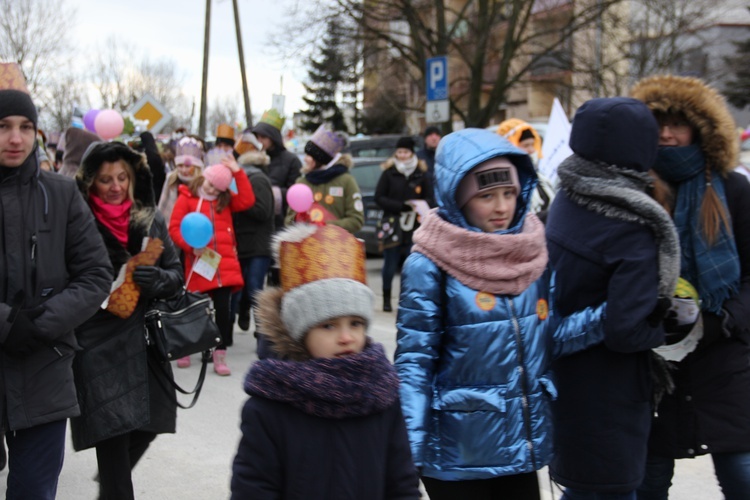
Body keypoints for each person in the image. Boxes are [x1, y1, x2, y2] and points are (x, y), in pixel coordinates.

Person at [395, 128, 606, 500]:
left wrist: (612, 315)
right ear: (456, 197)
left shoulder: (532, 252)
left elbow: (551, 336)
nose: (501, 207)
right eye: (486, 196)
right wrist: (405, 453)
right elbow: (415, 362)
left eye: (509, 193)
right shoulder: (428, 264)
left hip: (519, 447)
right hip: (457, 455)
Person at [544, 97, 680, 499]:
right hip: (611, 396)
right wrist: (661, 328)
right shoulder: (633, 225)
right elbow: (625, 329)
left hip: (567, 383)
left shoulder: (567, 198)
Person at [230, 222, 421, 499]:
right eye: (328, 326)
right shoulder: (270, 406)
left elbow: (402, 484)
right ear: (301, 332)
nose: (346, 337)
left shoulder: (382, 394)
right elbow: (253, 489)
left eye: (355, 323)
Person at [631, 76, 750, 500]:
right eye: (658, 121)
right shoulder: (633, 191)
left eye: (678, 122)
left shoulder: (734, 189)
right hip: (652, 360)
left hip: (725, 356)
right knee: (649, 480)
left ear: (701, 128)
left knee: (742, 474)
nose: (667, 132)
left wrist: (725, 320)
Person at [0, 61, 112, 500]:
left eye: (25, 126)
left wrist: (41, 323)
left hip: (43, 369)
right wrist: (8, 323)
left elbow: (96, 273)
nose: (15, 137)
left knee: (32, 492)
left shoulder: (61, 195)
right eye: (4, 125)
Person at [70, 141, 184, 500]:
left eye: (122, 177)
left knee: (153, 422)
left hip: (145, 340)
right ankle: (114, 485)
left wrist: (158, 281)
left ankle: (110, 482)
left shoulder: (147, 219)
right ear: (90, 183)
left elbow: (176, 274)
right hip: (97, 343)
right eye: (106, 179)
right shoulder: (77, 222)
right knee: (113, 434)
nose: (116, 185)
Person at [169, 156, 255, 374]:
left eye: (218, 189)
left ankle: (220, 354)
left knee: (223, 312)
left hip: (223, 264)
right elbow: (175, 228)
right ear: (203, 177)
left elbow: (247, 200)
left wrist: (237, 172)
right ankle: (186, 347)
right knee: (194, 308)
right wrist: (190, 247)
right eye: (210, 184)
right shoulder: (186, 198)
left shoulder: (224, 201)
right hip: (199, 263)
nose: (212, 190)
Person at [375, 136, 434, 312]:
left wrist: (419, 205)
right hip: (392, 222)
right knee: (390, 263)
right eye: (399, 152)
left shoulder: (421, 173)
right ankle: (386, 298)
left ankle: (407, 299)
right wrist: (399, 206)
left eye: (405, 152)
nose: (402, 155)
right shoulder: (389, 172)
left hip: (414, 224)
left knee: (411, 264)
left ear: (411, 153)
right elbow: (379, 197)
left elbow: (431, 198)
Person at [284, 124, 365, 234]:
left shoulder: (346, 181)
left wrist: (325, 226)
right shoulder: (301, 183)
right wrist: (299, 220)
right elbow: (288, 221)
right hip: (307, 248)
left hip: (337, 247)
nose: (305, 159)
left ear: (321, 159)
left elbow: (356, 220)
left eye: (310, 155)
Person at [231, 138, 274, 339]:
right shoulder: (246, 177)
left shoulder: (257, 179)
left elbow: (263, 211)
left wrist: (239, 203)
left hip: (258, 244)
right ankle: (242, 315)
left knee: (255, 287)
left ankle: (262, 331)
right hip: (243, 243)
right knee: (243, 287)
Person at [252, 109, 302, 235]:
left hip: (281, 224)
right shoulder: (253, 159)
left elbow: (297, 192)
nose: (259, 141)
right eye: (257, 137)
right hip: (257, 223)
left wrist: (273, 193)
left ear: (273, 137)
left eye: (263, 137)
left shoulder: (291, 160)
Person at [497, 118, 556, 221]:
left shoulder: (539, 177)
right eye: (525, 145)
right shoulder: (506, 180)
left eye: (533, 144)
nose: (531, 150)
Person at [158, 136, 205, 222]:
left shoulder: (203, 182)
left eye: (188, 166)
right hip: (172, 226)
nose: (184, 170)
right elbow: (163, 204)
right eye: (180, 166)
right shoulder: (171, 178)